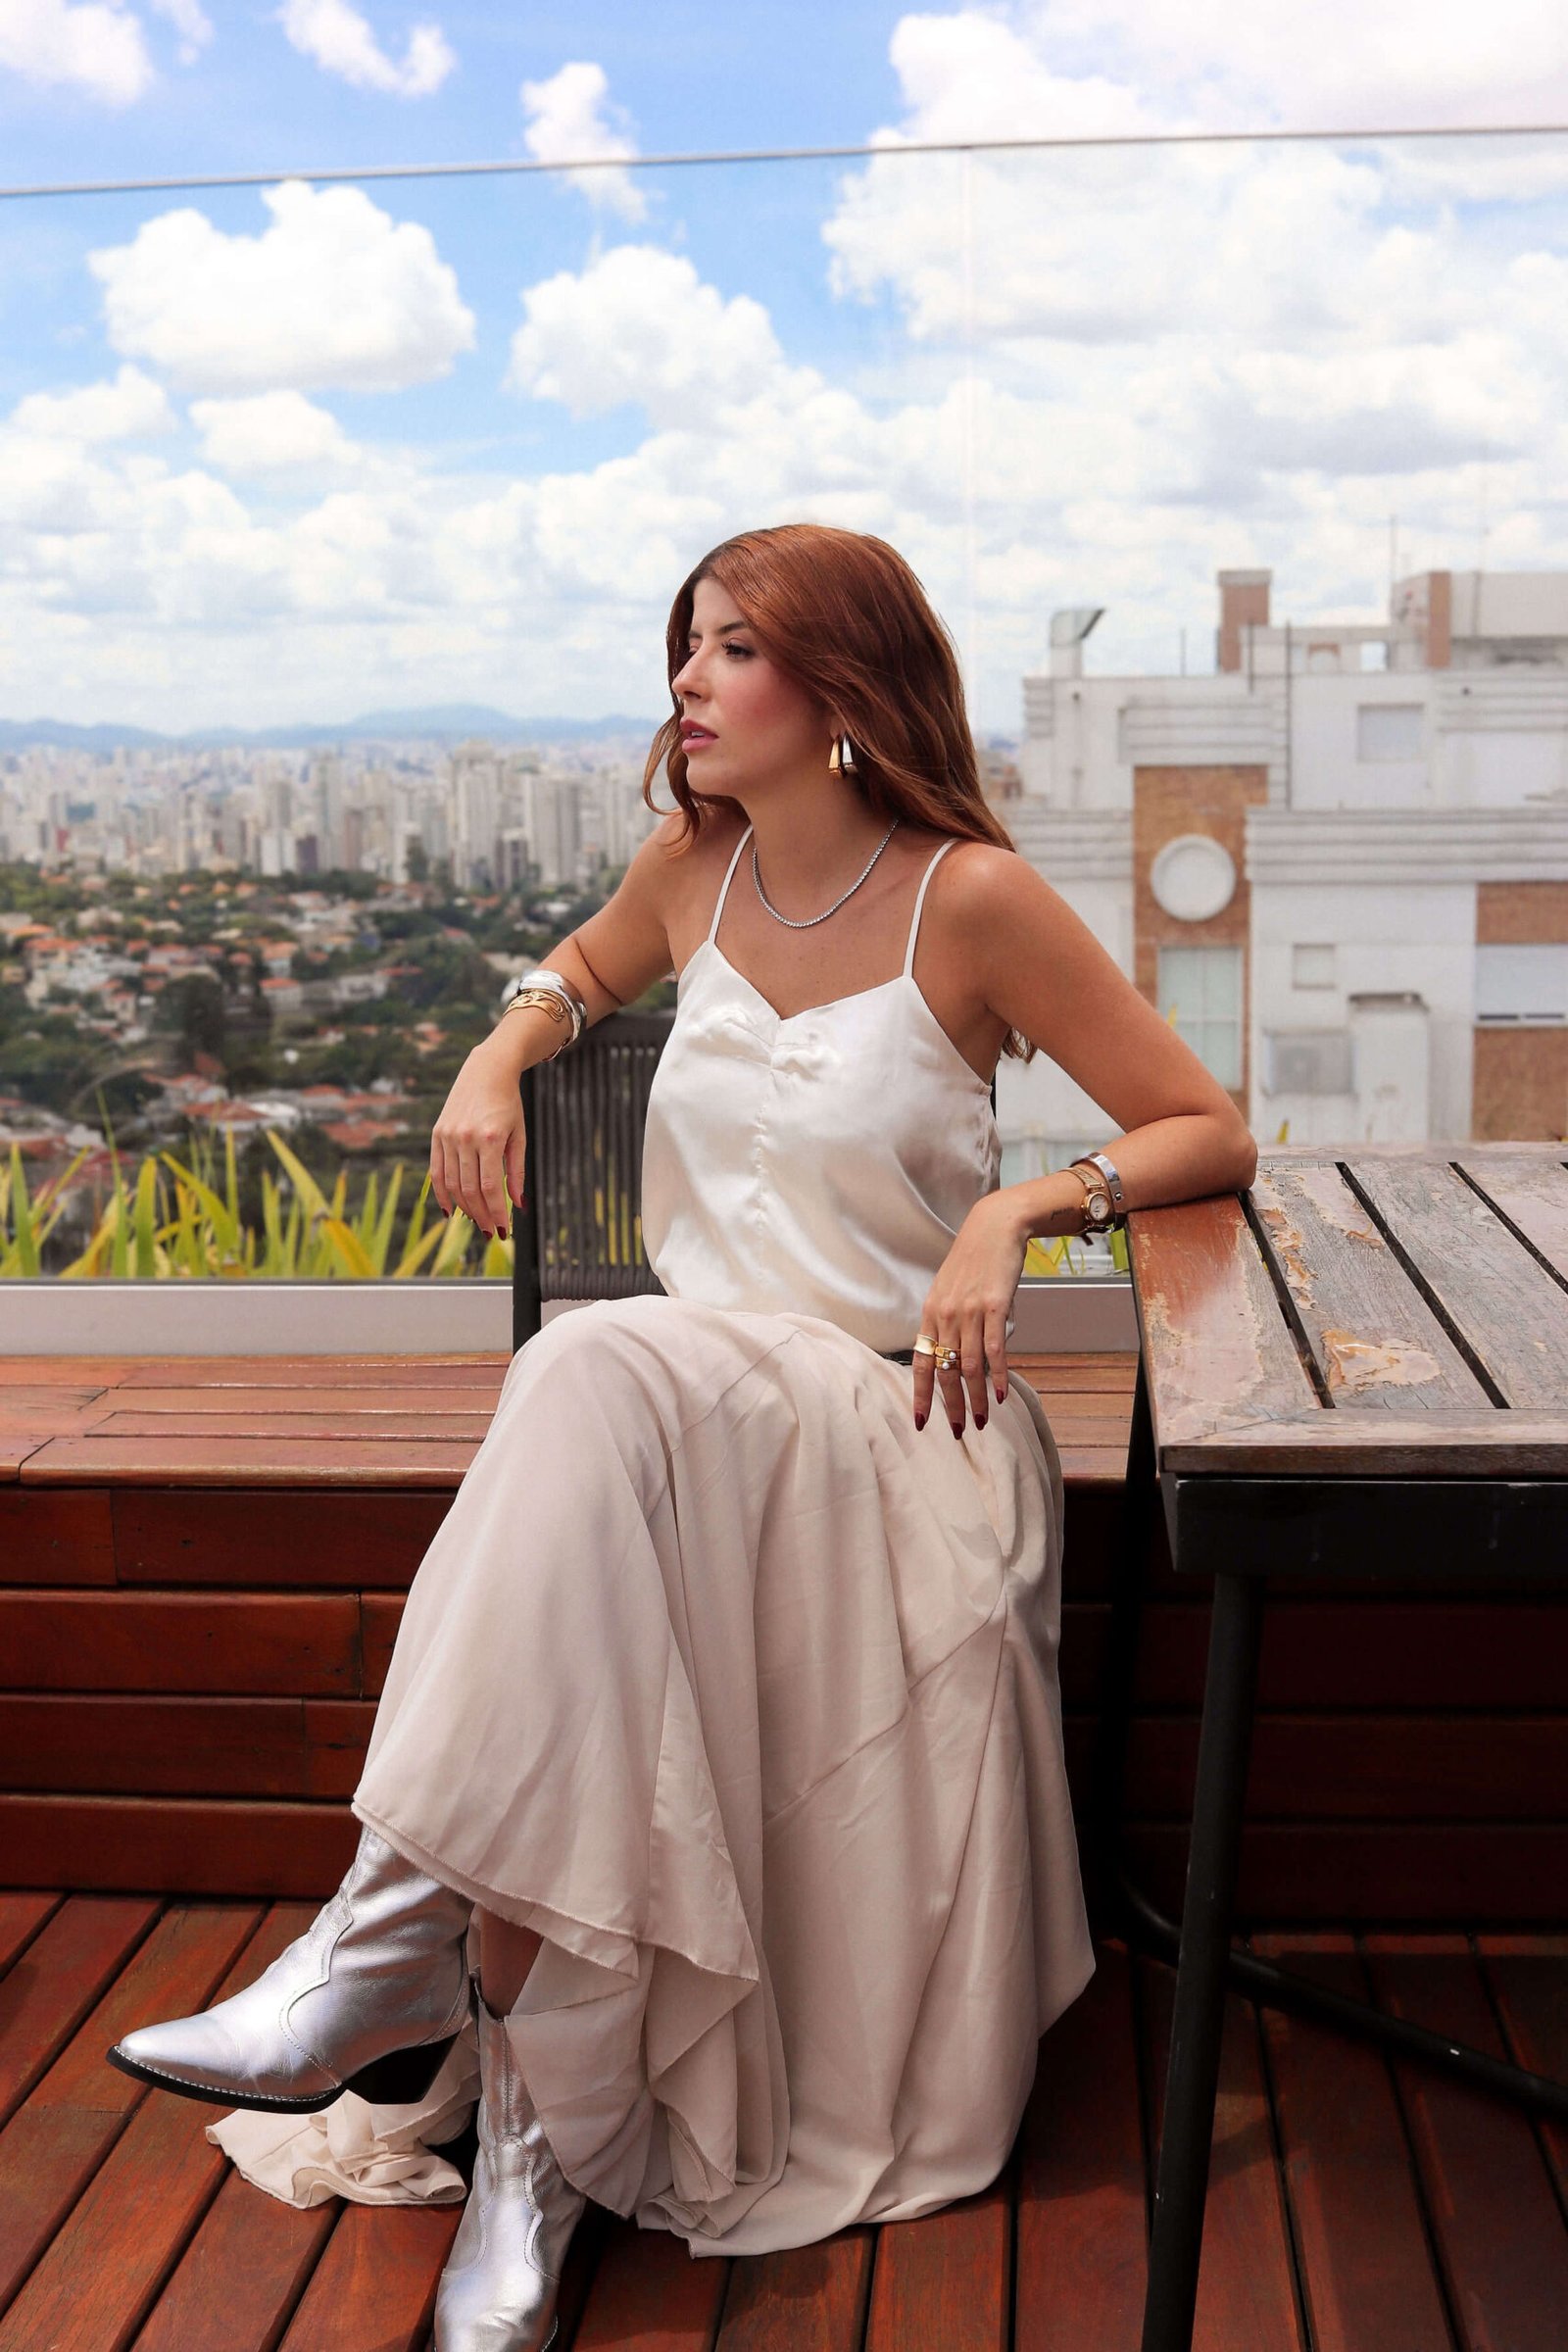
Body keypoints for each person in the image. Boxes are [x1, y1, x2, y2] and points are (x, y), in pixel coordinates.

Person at [108, 523, 1257, 2351]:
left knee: (581, 1366)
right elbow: (574, 973)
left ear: (842, 689)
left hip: (898, 1426)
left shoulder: (972, 900)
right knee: (593, 1429)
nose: (687, 680)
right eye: (689, 643)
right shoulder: (692, 869)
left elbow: (1208, 1126)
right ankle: (525, 2154)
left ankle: (388, 1956)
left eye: (733, 648)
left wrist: (1025, 1209)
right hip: (690, 1429)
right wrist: (499, 1051)